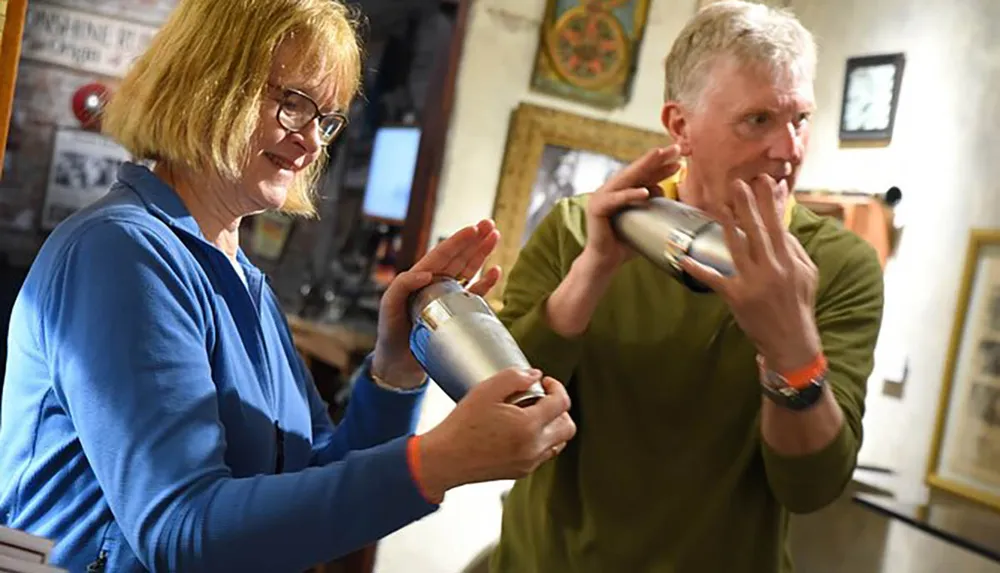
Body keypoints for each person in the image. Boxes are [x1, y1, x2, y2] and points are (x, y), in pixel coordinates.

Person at [0, 1, 576, 572]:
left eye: (325, 119)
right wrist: (437, 461)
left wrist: (395, 369)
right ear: (206, 79)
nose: (311, 142)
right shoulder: (121, 253)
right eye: (291, 103)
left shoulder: (239, 278)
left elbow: (309, 476)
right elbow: (181, 531)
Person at [489, 2, 885, 572]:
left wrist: (791, 346)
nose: (788, 149)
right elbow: (503, 414)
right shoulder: (581, 226)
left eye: (799, 119)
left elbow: (811, 488)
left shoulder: (838, 266)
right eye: (758, 120)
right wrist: (595, 269)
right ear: (680, 127)